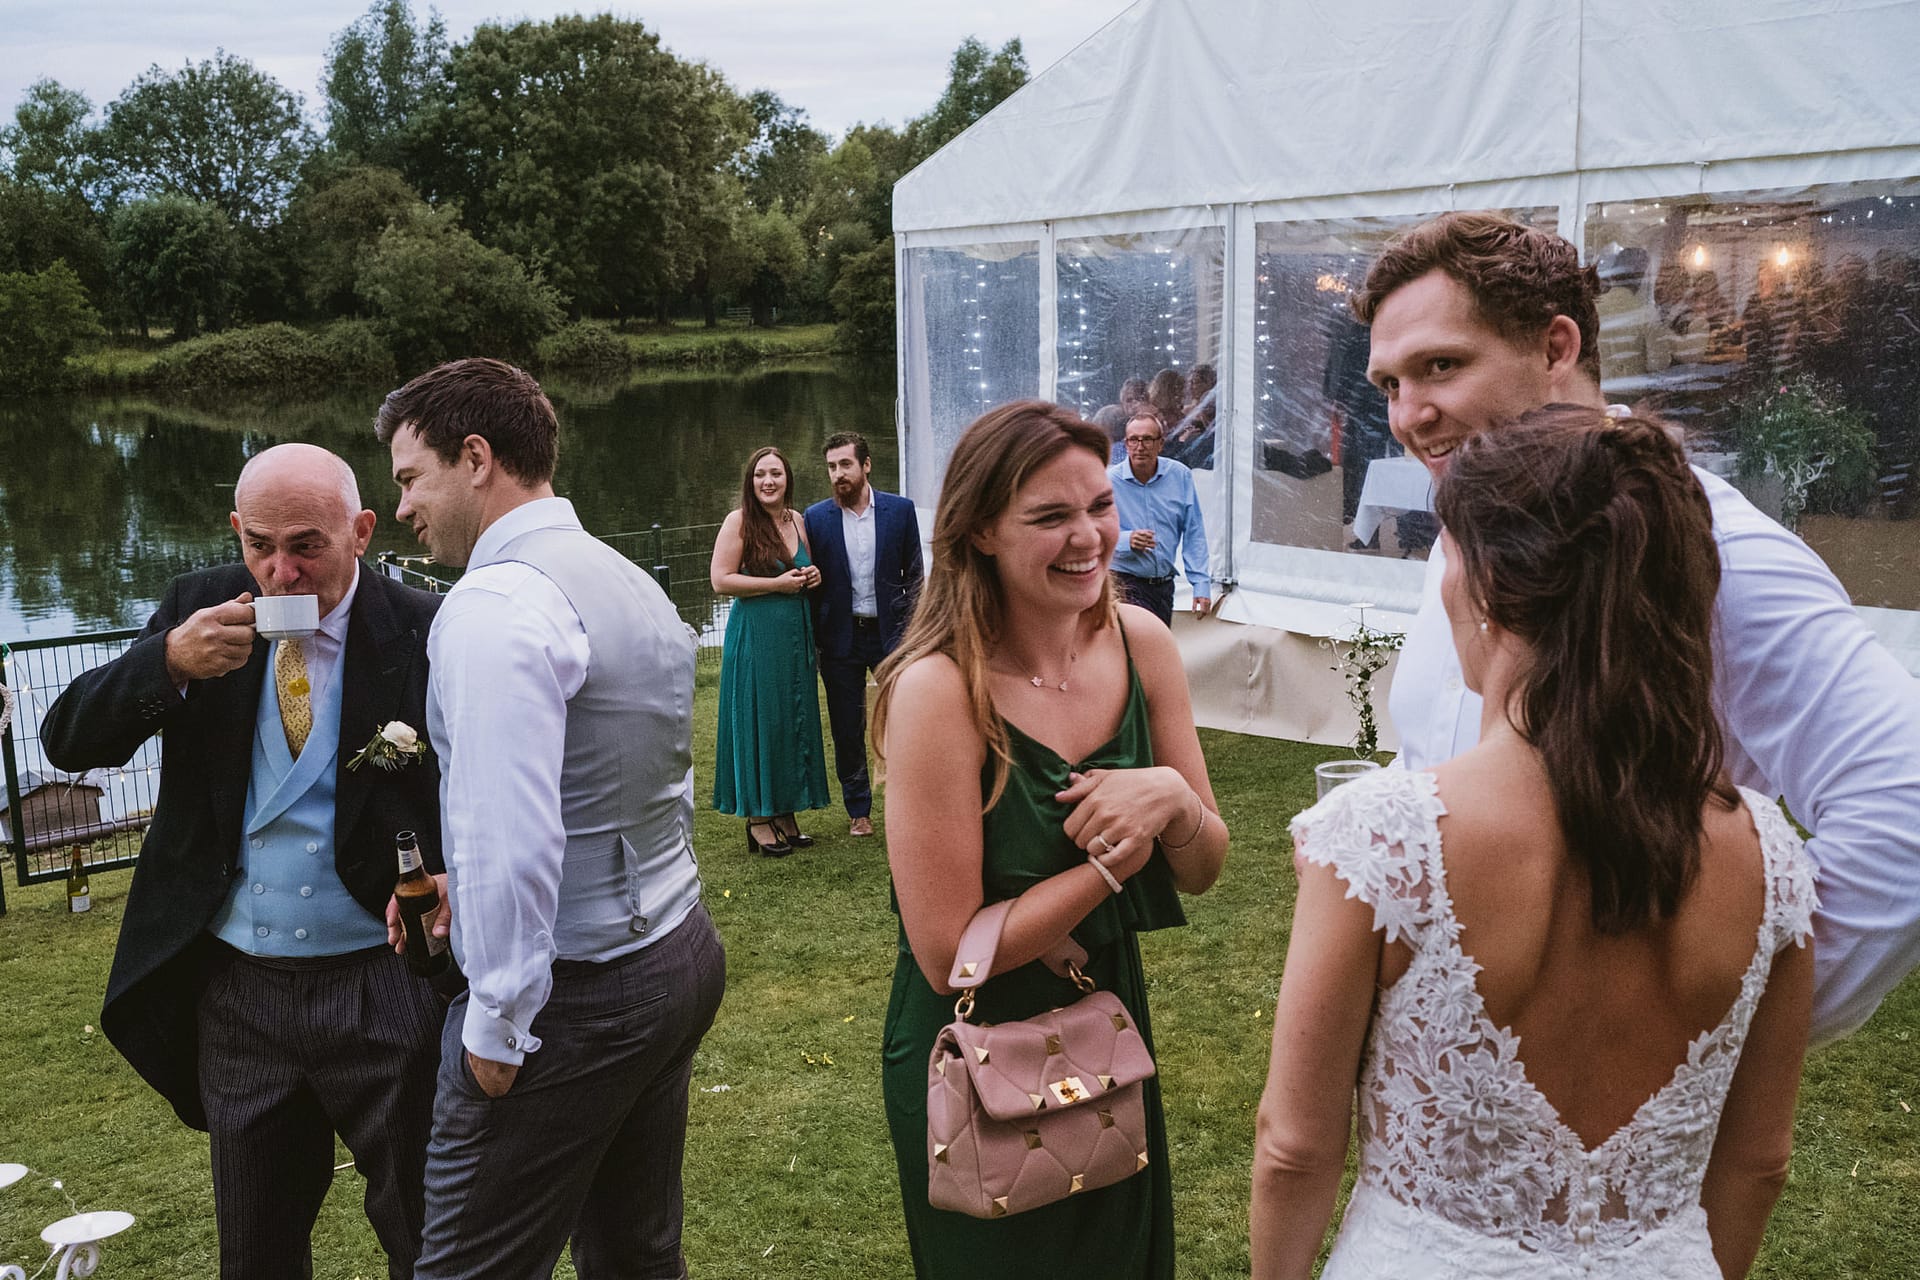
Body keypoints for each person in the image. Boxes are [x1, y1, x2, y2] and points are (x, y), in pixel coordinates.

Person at [1252, 408, 1817, 1279]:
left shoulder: (1382, 835)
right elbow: (1758, 1161)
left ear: (1486, 588)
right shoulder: (1770, 854)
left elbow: (1294, 1147)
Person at [1354, 210, 1920, 1043]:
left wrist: (1713, 1040)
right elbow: (1436, 759)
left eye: (1441, 366)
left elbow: (1901, 804)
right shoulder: (1468, 530)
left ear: (1556, 348)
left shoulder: (1717, 548)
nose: (1409, 416)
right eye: (1389, 386)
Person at [41, 442, 446, 1279]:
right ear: (236, 531)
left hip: (385, 981)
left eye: (307, 546)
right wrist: (166, 665)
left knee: (427, 1234)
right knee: (254, 1249)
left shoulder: (421, 627)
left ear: (362, 531)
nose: (281, 573)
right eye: (260, 545)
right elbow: (68, 739)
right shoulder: (197, 607)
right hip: (240, 995)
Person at [377, 358, 726, 1280]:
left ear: (477, 458)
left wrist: (496, 1021)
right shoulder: (620, 576)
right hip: (676, 949)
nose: (405, 506)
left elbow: (508, 834)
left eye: (413, 478)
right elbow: (643, 780)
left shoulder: (495, 604)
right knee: (634, 1254)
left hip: (573, 995)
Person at [871, 399, 1228, 1279]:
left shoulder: (1142, 645)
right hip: (975, 1055)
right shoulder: (939, 690)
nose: (1090, 536)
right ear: (982, 531)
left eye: (1100, 506)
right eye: (1051, 517)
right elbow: (949, 952)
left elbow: (1206, 865)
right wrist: (1110, 868)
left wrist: (1174, 801)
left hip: (1105, 1033)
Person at [803, 431, 923, 838]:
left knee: (905, 716)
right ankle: (859, 809)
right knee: (846, 725)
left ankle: (910, 797)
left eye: (846, 465)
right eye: (832, 467)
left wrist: (908, 625)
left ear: (866, 465)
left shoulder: (900, 511)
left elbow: (916, 575)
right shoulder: (816, 518)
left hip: (890, 634)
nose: (838, 474)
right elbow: (812, 580)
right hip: (839, 637)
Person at [711, 445, 831, 853]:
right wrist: (775, 585)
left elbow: (802, 567)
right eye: (761, 474)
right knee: (760, 719)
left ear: (787, 480)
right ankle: (759, 819)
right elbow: (721, 580)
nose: (769, 481)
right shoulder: (739, 521)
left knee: (788, 718)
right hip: (757, 637)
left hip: (794, 639)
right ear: (751, 480)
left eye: (776, 474)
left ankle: (785, 811)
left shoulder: (795, 520)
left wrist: (811, 575)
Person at [1107, 412, 1212, 625]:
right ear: (1126, 444)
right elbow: (1094, 533)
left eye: (1147, 439)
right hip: (1124, 582)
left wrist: (1201, 584)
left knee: (1156, 651)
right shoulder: (1109, 482)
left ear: (1160, 444)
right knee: (1136, 649)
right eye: (1134, 439)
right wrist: (1127, 540)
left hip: (1163, 586)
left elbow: (1194, 532)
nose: (1140, 446)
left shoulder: (1179, 476)